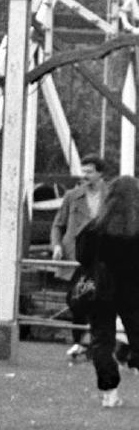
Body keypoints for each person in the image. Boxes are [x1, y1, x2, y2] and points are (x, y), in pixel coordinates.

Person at [73, 174, 139, 409]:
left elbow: (81, 257)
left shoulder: (94, 227)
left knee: (102, 341)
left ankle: (109, 393)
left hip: (100, 290)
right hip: (133, 291)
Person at [52, 156, 110, 361]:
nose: (84, 176)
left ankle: (97, 343)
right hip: (77, 255)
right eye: (83, 171)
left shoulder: (111, 195)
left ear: (100, 173)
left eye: (89, 172)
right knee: (76, 299)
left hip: (102, 256)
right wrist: (57, 245)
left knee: (102, 300)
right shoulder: (72, 196)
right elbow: (58, 224)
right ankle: (78, 341)